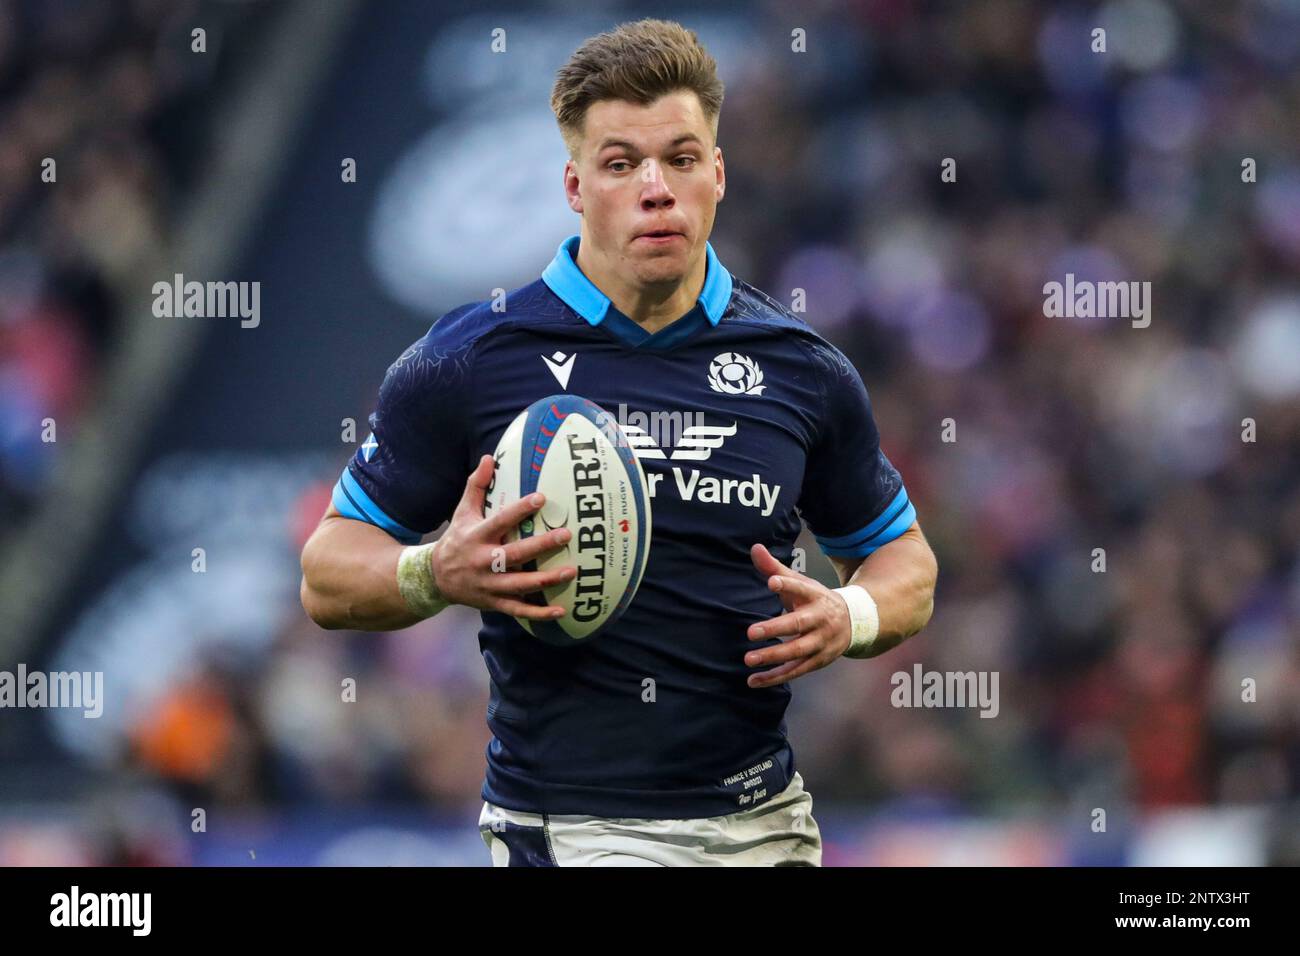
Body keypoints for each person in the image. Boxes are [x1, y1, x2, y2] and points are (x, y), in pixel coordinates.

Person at [300, 18, 938, 866]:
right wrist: (434, 572)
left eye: (680, 159)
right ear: (573, 184)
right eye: (619, 164)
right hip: (574, 833)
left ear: (718, 173)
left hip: (769, 825)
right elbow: (326, 573)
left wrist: (851, 614)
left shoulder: (801, 370)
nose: (655, 188)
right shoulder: (469, 360)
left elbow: (906, 562)